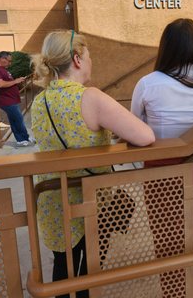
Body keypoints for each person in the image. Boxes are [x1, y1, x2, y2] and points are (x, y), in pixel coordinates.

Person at [31, 30, 155, 298]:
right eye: (89, 55)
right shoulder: (90, 98)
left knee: (63, 267)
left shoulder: (39, 102)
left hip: (53, 197)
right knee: (90, 270)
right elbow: (146, 136)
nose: (90, 61)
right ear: (77, 59)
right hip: (91, 200)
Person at [131, 18, 193, 298]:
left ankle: (176, 294)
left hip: (162, 175)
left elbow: (135, 129)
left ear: (165, 47)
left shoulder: (148, 85)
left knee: (168, 241)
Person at [0, 51, 34, 147]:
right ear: (2, 59)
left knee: (14, 120)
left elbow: (7, 81)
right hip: (6, 100)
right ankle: (23, 138)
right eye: (9, 61)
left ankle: (22, 138)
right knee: (18, 119)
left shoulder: (2, 68)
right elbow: (0, 84)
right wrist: (15, 81)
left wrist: (17, 80)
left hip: (11, 99)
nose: (10, 63)